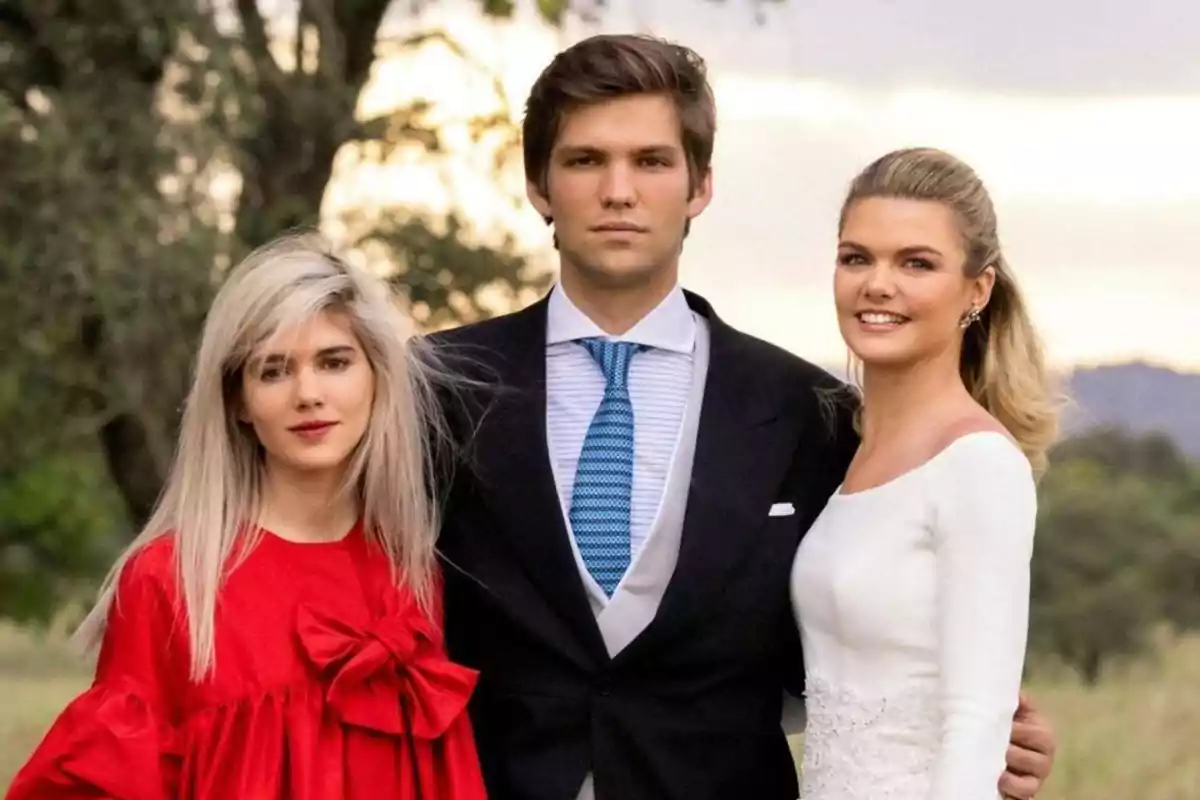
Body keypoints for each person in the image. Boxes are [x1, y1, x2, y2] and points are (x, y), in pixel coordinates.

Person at [432, 34, 1056, 800]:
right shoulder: (435, 387)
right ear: (538, 184)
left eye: (653, 161)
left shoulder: (808, 412)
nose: (619, 191)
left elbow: (856, 634)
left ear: (700, 187)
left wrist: (990, 733)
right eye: (586, 160)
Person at [5, 235, 487, 800]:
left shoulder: (412, 573)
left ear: (378, 379)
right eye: (273, 371)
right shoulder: (169, 581)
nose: (308, 394)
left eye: (334, 362)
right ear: (238, 401)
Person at [790, 147, 1062, 799]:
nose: (877, 285)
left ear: (978, 289)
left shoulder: (978, 466)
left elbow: (978, 722)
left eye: (916, 263)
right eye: (857, 258)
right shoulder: (837, 455)